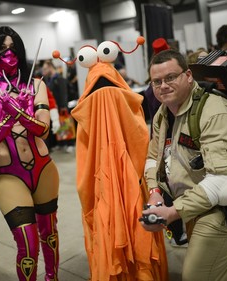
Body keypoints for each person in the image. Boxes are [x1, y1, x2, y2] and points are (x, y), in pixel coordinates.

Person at [141, 49, 227, 281]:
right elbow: (153, 157)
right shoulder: (163, 113)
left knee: (197, 275)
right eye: (156, 81)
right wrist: (154, 192)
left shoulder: (215, 112)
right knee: (223, 268)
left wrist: (172, 212)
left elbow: (224, 182)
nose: (163, 86)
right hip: (194, 201)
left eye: (170, 77)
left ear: (188, 76)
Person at [67, 39, 168, 280]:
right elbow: (140, 140)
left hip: (102, 185)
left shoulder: (86, 109)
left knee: (107, 218)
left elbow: (84, 166)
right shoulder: (124, 98)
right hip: (133, 179)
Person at [0, 26, 60, 281]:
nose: (8, 54)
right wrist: (9, 120)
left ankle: (52, 277)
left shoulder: (36, 84)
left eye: (12, 48)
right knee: (28, 243)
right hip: (10, 175)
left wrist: (22, 112)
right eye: (2, 49)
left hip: (43, 168)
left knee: (50, 234)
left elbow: (44, 131)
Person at [42, 60, 73, 152]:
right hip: (55, 106)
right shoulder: (50, 79)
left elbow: (64, 93)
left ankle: (69, 143)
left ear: (50, 67)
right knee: (59, 124)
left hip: (61, 105)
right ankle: (62, 143)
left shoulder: (59, 78)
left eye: (45, 69)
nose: (44, 71)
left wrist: (63, 105)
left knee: (66, 123)